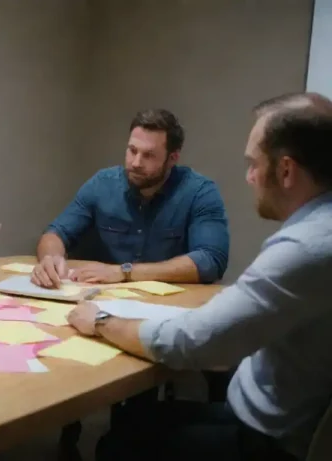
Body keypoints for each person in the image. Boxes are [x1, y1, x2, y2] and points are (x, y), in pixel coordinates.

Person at [66, 92, 332, 461]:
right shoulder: (318, 231)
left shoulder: (306, 247)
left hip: (273, 440)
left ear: (286, 170)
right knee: (135, 421)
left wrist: (100, 320)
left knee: (118, 444)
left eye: (254, 163)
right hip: (284, 415)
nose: (249, 176)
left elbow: (191, 342)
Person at [32, 109, 229, 288]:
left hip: (168, 309)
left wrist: (124, 272)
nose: (135, 163)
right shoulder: (102, 184)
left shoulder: (199, 191)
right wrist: (50, 259)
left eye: (148, 155)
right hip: (103, 300)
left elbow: (210, 260)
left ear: (173, 158)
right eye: (132, 150)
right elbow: (56, 232)